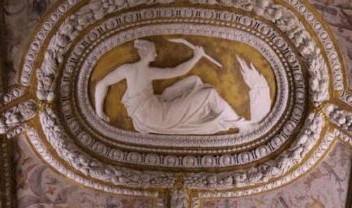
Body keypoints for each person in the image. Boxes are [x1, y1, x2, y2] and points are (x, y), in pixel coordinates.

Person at [94, 39, 256, 136]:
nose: (156, 55)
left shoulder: (127, 69)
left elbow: (102, 84)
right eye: (154, 53)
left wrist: (99, 111)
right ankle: (239, 123)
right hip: (158, 116)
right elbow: (178, 70)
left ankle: (173, 98)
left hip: (149, 112)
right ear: (147, 54)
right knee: (210, 93)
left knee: (194, 80)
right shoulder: (147, 72)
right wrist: (196, 57)